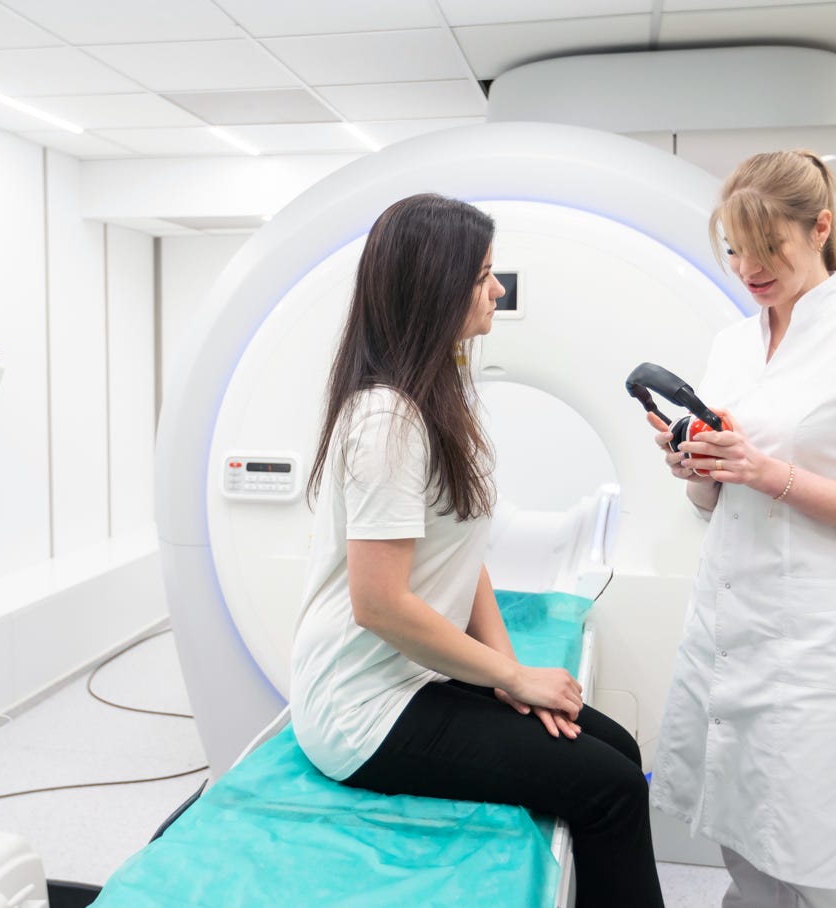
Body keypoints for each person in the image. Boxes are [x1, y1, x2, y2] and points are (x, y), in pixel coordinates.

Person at [290, 193, 664, 907]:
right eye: (484, 273)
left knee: (617, 748)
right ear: (435, 286)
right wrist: (512, 679)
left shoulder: (439, 396)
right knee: (612, 789)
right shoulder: (386, 419)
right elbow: (378, 604)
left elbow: (464, 553)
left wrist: (509, 671)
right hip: (363, 708)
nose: (496, 289)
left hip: (413, 676)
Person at [647, 151, 836, 908]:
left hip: (813, 633)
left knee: (807, 832)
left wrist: (765, 472)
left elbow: (764, 474)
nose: (748, 268)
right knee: (739, 827)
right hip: (728, 622)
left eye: (769, 249)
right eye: (734, 249)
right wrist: (696, 468)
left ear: (821, 228)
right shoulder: (731, 343)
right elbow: (715, 502)